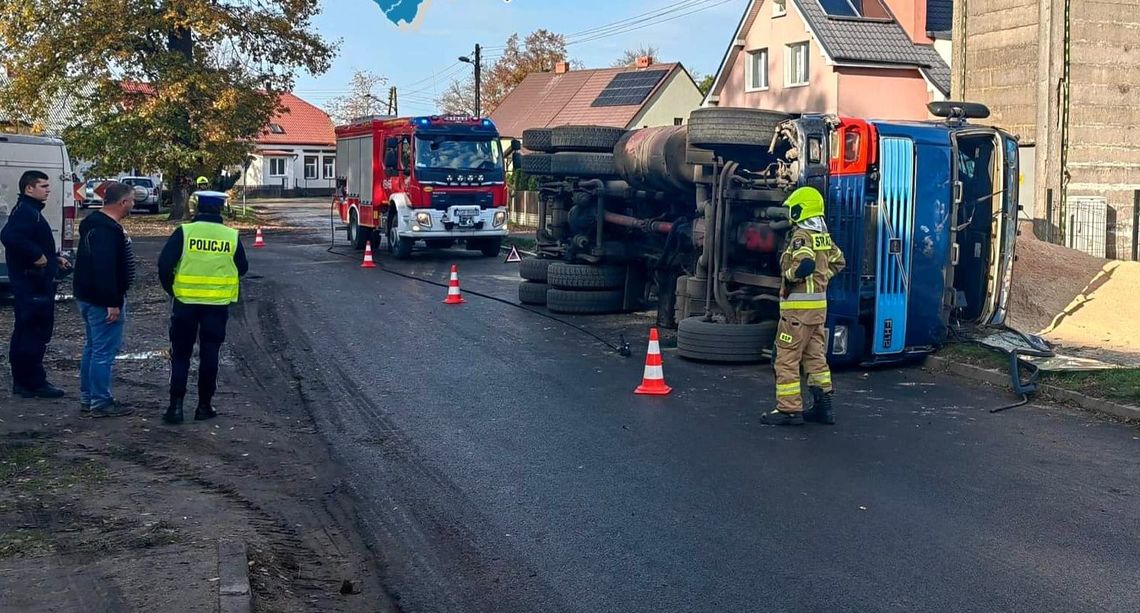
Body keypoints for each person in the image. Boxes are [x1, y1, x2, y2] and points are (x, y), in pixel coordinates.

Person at [157, 191, 248, 424]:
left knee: (180, 355)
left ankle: (175, 407)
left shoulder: (185, 233)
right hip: (216, 307)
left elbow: (164, 265)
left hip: (185, 304)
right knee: (210, 355)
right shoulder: (231, 236)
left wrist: (173, 290)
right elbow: (243, 267)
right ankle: (204, 406)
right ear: (221, 209)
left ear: (197, 208)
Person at [761, 186, 846, 426]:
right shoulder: (822, 236)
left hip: (797, 313)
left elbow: (804, 264)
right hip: (818, 311)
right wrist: (823, 279)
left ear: (801, 210)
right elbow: (839, 261)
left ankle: (789, 410)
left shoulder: (801, 236)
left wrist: (789, 275)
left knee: (786, 357)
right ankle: (823, 407)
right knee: (815, 358)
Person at [1, 170, 71, 398]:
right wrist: (36, 256)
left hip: (34, 282)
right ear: (28, 188)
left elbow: (30, 239)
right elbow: (10, 236)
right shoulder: (26, 212)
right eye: (43, 186)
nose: (48, 189)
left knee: (28, 332)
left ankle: (25, 381)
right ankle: (32, 382)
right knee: (33, 333)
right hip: (31, 284)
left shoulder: (31, 211)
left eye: (48, 186)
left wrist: (53, 258)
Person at [73, 182, 137, 417]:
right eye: (131, 200)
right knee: (102, 352)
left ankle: (88, 397)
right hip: (102, 301)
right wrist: (112, 301)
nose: (133, 204)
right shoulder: (107, 230)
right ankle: (100, 401)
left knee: (92, 348)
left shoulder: (94, 223)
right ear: (122, 203)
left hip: (88, 296)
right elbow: (104, 267)